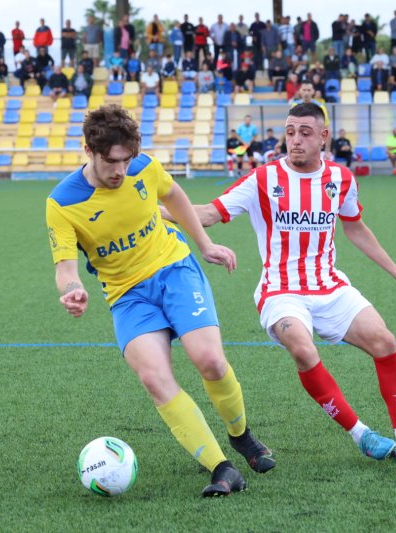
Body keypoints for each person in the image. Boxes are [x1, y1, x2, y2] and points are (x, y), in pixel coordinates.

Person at [163, 103, 396, 467]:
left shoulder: (341, 179)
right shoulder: (264, 179)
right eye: (290, 131)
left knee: (384, 341)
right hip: (281, 292)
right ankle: (362, 434)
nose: (295, 140)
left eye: (305, 133)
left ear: (323, 137)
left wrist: (395, 269)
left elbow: (355, 227)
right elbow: (209, 214)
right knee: (303, 349)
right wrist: (152, 210)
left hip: (330, 286)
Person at [45, 105, 275, 497]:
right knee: (154, 378)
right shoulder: (62, 202)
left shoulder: (144, 168)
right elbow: (66, 267)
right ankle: (222, 467)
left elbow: (175, 196)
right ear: (88, 150)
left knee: (210, 361)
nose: (120, 170)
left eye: (126, 159)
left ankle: (242, 436)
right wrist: (72, 292)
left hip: (175, 270)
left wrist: (204, 245)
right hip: (127, 296)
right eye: (110, 161)